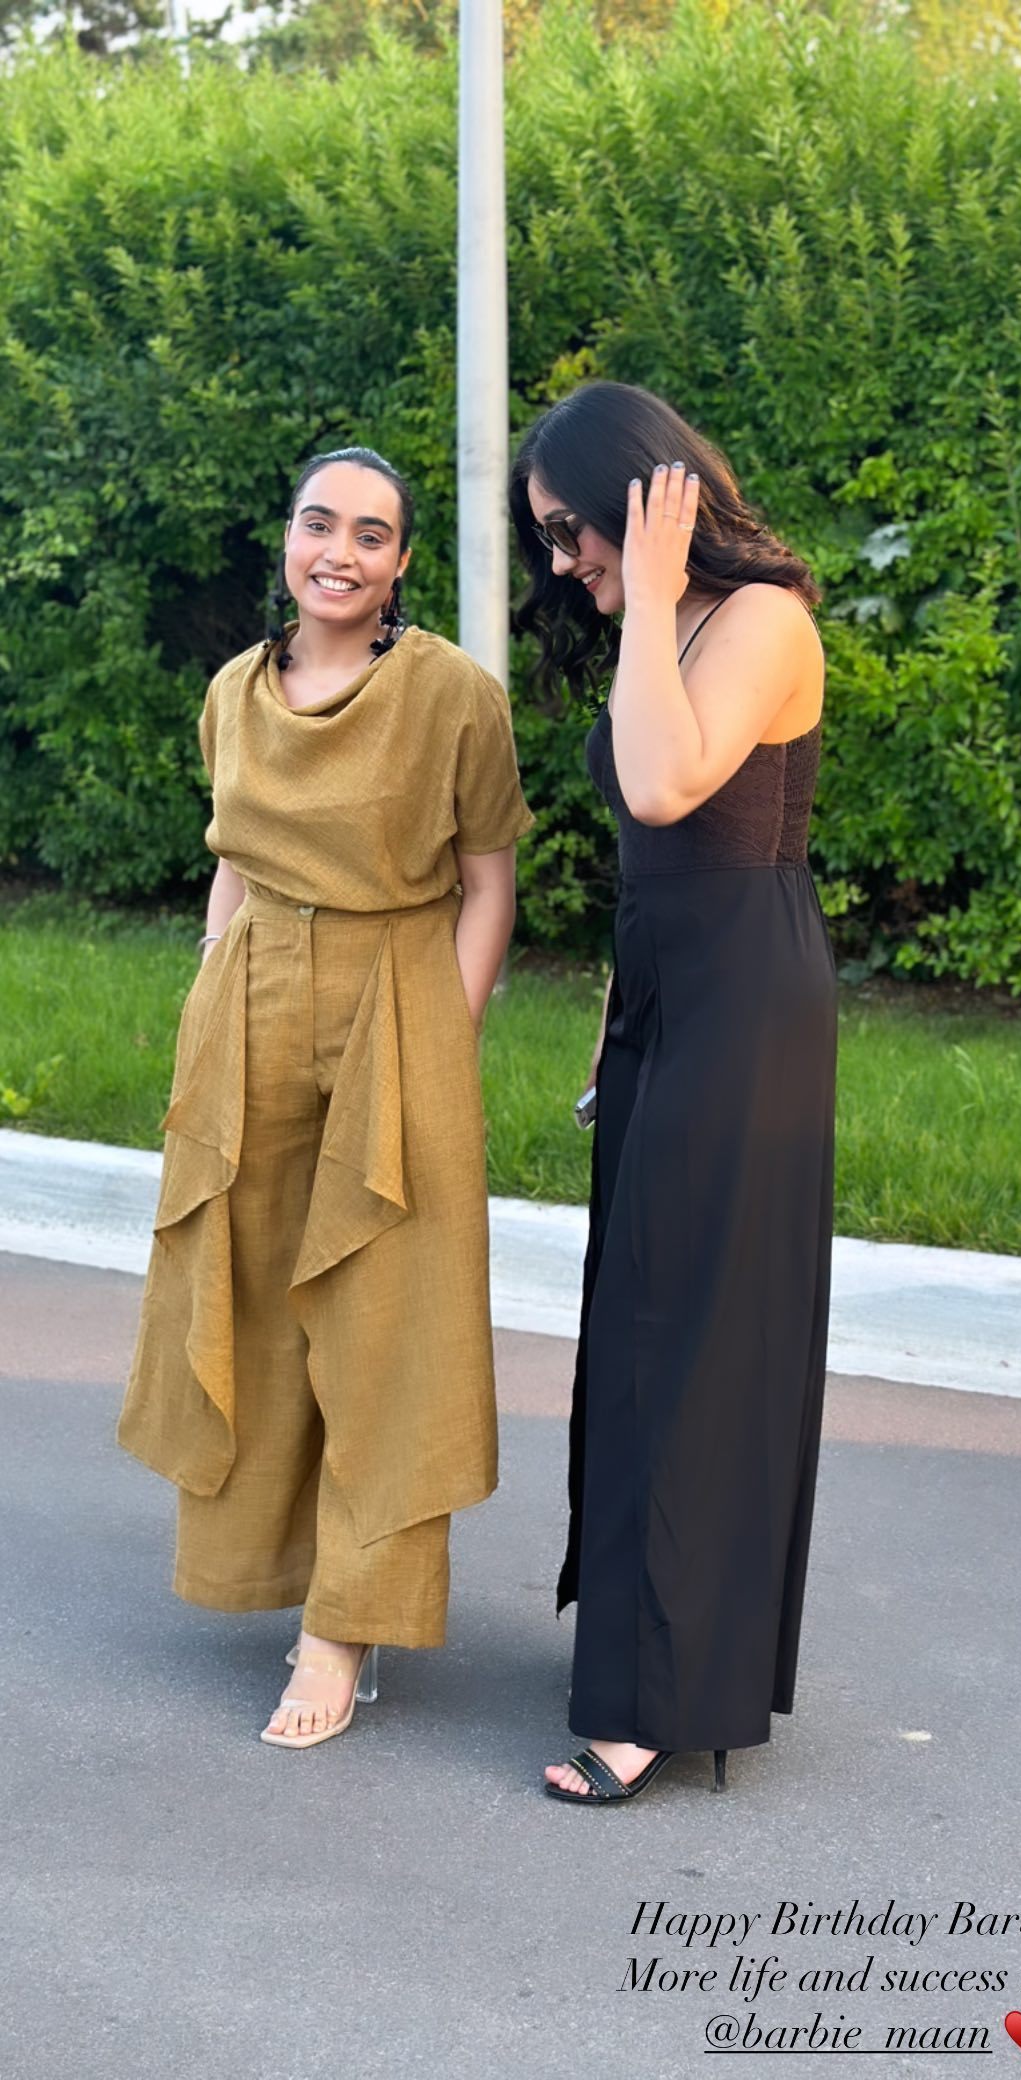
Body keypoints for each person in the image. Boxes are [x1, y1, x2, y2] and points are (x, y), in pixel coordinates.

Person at [119, 446, 533, 1748]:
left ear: (401, 563)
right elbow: (234, 863)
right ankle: (266, 1569)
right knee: (245, 1300)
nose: (339, 552)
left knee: (385, 1327)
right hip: (248, 1003)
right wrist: (210, 989)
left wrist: (445, 1040)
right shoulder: (233, 694)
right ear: (287, 541)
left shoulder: (452, 696)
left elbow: (488, 886)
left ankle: (343, 1630)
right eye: (318, 524)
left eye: (369, 533)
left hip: (395, 1001)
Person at [509, 381, 836, 1804]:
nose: (563, 562)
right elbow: (654, 862)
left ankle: (660, 1698)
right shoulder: (673, 625)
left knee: (695, 1333)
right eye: (549, 540)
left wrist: (646, 596)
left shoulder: (758, 620)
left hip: (746, 1008)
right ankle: (643, 1655)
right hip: (666, 998)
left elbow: (664, 787)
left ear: (638, 501)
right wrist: (614, 1011)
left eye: (571, 530)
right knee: (638, 1315)